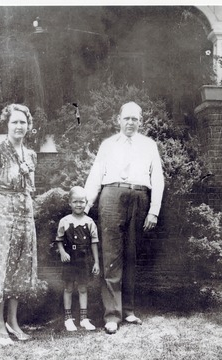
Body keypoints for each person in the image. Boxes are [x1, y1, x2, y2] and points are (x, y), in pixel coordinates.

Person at [85, 101, 164, 334]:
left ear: (141, 121)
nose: (130, 122)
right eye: (126, 118)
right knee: (111, 255)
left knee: (131, 255)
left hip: (140, 197)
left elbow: (157, 177)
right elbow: (95, 175)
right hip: (111, 196)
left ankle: (128, 311)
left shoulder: (149, 145)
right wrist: (87, 205)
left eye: (135, 119)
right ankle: (112, 315)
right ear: (118, 120)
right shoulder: (108, 145)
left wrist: (154, 210)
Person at [0, 104, 37, 345]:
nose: (19, 126)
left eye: (23, 122)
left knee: (20, 267)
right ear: (7, 124)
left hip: (25, 213)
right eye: (14, 122)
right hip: (1, 214)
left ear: (28, 125)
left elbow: (30, 186)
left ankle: (13, 322)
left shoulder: (31, 154)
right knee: (2, 267)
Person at [56, 186, 100, 331]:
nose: (78, 205)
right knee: (68, 288)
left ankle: (83, 319)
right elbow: (59, 240)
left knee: (83, 288)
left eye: (82, 202)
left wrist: (96, 263)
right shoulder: (65, 221)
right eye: (75, 202)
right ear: (70, 203)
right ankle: (68, 319)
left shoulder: (89, 222)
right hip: (69, 260)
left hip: (84, 259)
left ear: (86, 203)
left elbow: (94, 243)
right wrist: (62, 252)